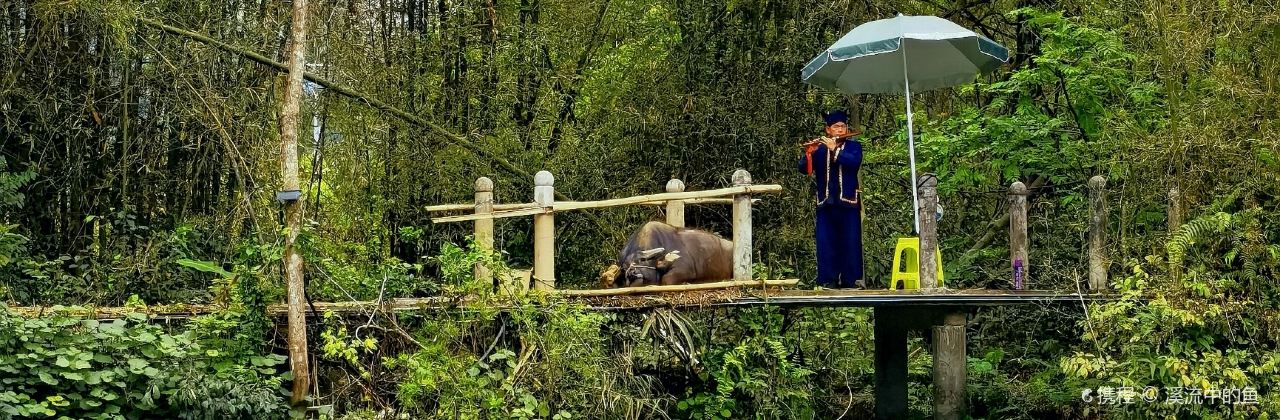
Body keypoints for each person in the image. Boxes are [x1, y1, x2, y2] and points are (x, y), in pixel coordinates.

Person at [798, 109, 864, 289]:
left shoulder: (854, 147)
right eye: (836, 127)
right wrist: (809, 153)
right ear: (828, 130)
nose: (841, 130)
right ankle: (828, 280)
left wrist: (834, 149)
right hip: (826, 203)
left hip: (848, 202)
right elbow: (804, 169)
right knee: (826, 242)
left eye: (843, 126)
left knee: (850, 241)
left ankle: (851, 280)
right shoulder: (819, 148)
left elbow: (853, 163)